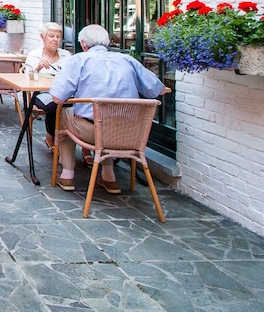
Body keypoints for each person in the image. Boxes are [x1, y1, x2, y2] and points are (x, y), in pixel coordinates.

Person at [49, 24, 165, 194]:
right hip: (129, 133)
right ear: (108, 42)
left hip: (92, 132)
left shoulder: (80, 60)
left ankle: (67, 175)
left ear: (83, 44)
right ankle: (109, 176)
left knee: (64, 114)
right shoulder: (127, 60)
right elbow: (158, 90)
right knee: (110, 120)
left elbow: (57, 98)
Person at [24, 22, 72, 142]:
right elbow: (26, 80)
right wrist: (37, 68)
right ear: (42, 37)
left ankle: (75, 141)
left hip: (64, 92)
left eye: (58, 37)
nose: (55, 40)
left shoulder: (66, 55)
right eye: (51, 36)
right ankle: (51, 136)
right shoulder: (34, 55)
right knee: (54, 105)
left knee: (78, 104)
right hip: (42, 93)